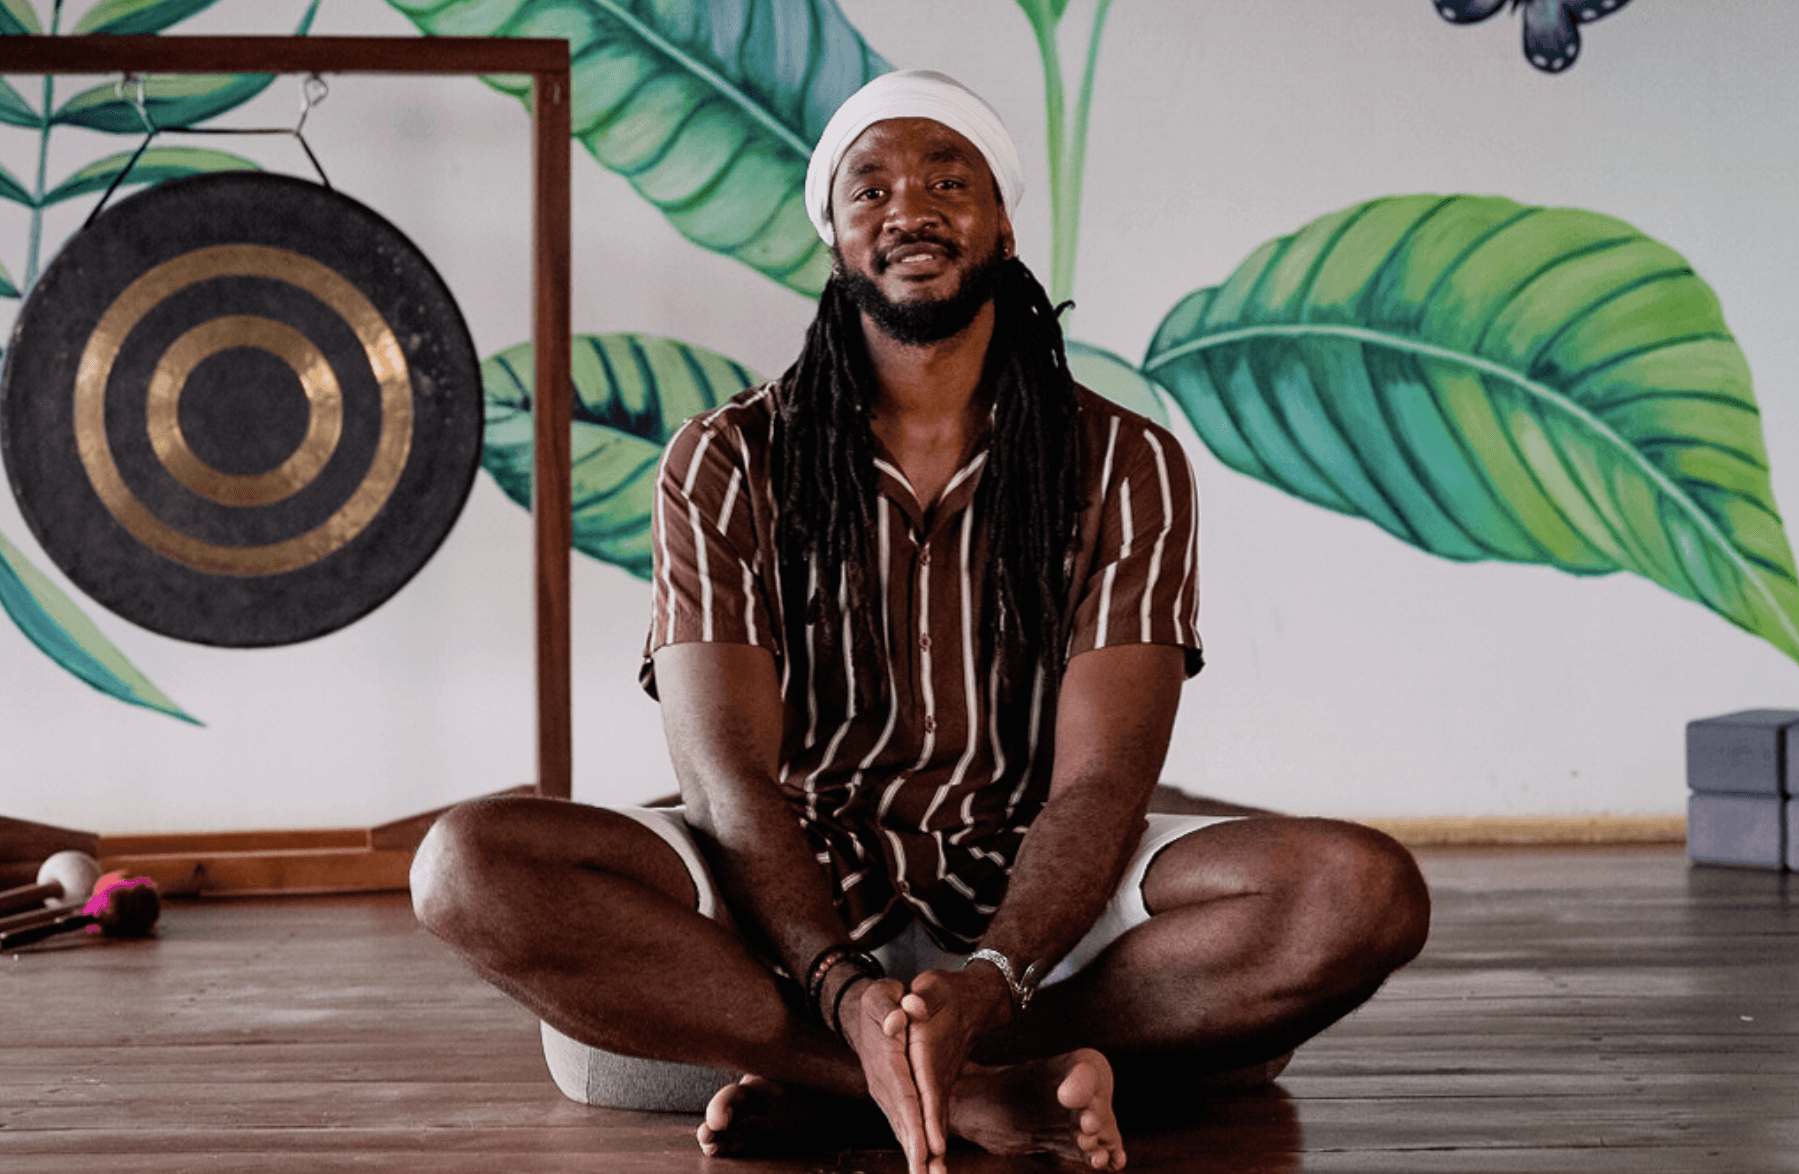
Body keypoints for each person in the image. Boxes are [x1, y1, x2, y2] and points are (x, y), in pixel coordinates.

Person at [410, 70, 1430, 1173]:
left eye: (951, 179)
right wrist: (843, 990)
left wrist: (989, 981)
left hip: (1039, 894)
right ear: (836, 238)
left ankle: (870, 1084)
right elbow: (726, 780)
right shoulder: (724, 458)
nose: (911, 207)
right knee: (462, 863)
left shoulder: (1125, 459)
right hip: (786, 890)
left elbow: (1100, 782)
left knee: (1357, 891)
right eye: (871, 187)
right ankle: (948, 1089)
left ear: (999, 223)